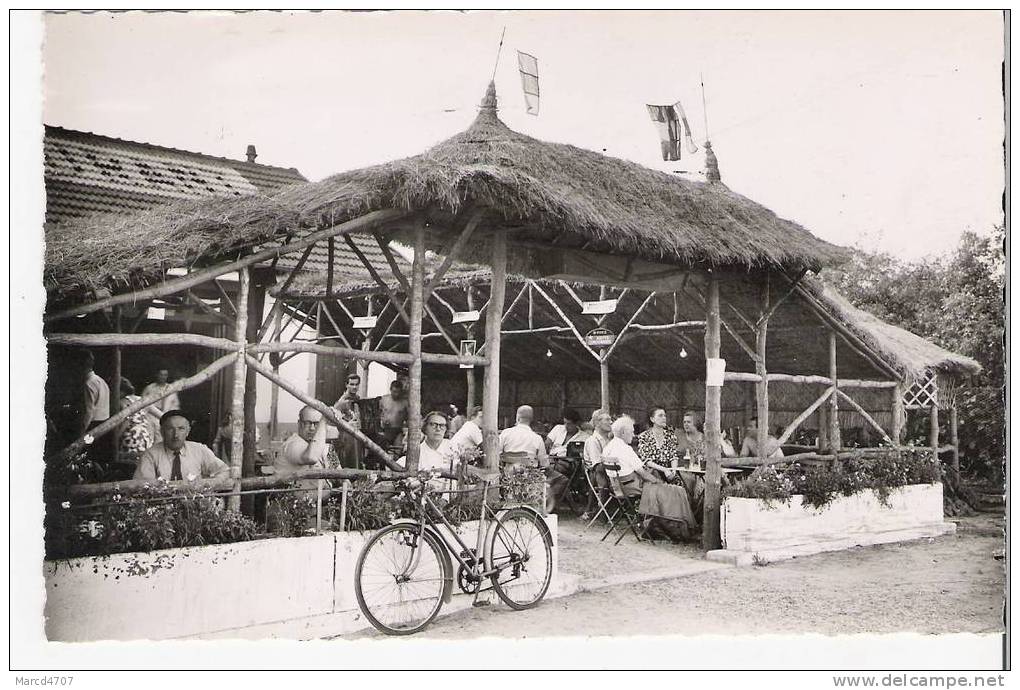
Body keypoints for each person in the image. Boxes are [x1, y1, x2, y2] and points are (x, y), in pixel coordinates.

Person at [601, 415, 698, 542]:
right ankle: (680, 528)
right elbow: (644, 474)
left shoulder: (609, 447)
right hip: (632, 488)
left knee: (668, 489)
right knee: (675, 491)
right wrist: (658, 482)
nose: (633, 434)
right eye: (631, 431)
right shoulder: (625, 449)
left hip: (618, 488)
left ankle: (664, 527)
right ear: (623, 432)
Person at [134, 410, 229, 481]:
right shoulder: (150, 455)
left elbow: (224, 470)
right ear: (162, 432)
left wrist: (210, 484)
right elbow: (142, 485)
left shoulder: (199, 450)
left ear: (188, 432)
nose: (176, 435)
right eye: (170, 429)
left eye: (181, 429)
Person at [276, 405, 330, 491]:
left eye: (317, 424)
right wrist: (323, 421)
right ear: (299, 424)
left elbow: (340, 473)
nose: (312, 428)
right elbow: (311, 458)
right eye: (307, 423)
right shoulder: (292, 445)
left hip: (324, 501)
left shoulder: (325, 447)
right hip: (292, 503)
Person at [79, 350, 113, 464]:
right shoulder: (100, 380)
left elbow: (89, 411)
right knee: (100, 458)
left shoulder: (89, 383)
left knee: (90, 458)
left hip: (94, 426)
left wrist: (83, 431)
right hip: (105, 424)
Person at [580, 409, 613, 522]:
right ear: (598, 423)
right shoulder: (593, 441)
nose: (611, 422)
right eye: (607, 420)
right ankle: (602, 511)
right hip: (597, 474)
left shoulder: (609, 439)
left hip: (610, 471)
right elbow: (598, 466)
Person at [115, 377, 152, 468]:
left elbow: (126, 421)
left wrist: (116, 438)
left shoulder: (122, 402)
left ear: (121, 391)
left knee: (128, 467)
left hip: (131, 438)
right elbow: (160, 415)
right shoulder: (142, 400)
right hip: (145, 438)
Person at [637, 406, 682, 475]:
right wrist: (664, 470)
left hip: (668, 472)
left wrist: (674, 471)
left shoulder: (670, 436)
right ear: (652, 419)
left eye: (665, 416)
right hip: (652, 473)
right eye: (660, 416)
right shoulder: (644, 436)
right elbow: (646, 460)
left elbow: (673, 457)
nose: (664, 418)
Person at [142, 368, 180, 444]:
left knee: (160, 441)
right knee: (149, 440)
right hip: (151, 417)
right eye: (161, 374)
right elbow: (142, 403)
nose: (163, 377)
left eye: (165, 375)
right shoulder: (149, 388)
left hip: (165, 417)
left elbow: (175, 406)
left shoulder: (171, 389)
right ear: (157, 375)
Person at [334, 372, 363, 469]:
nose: (354, 387)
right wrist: (348, 424)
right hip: (345, 435)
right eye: (351, 384)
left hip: (356, 433)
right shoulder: (342, 401)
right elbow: (334, 420)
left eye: (356, 384)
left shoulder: (358, 399)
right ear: (346, 385)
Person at [379, 379, 409, 447]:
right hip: (385, 430)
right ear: (390, 389)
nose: (396, 394)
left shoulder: (405, 403)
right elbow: (378, 414)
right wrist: (382, 421)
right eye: (394, 391)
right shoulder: (383, 399)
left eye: (398, 392)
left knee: (397, 450)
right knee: (382, 451)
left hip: (398, 430)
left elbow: (408, 418)